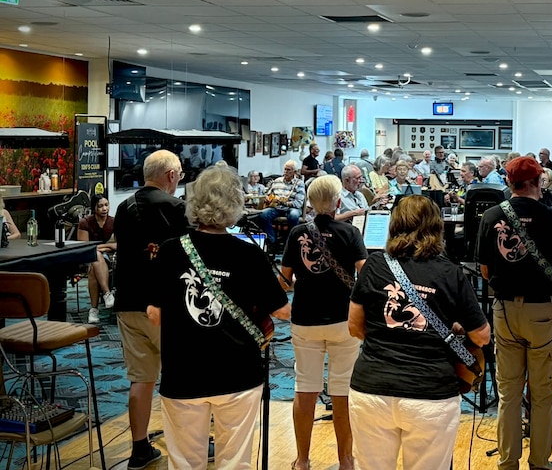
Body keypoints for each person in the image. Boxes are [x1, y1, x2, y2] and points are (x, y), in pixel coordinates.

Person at [145, 166, 290, 470]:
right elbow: (281, 311)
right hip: (238, 373)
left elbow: (154, 315)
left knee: (184, 462)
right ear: (235, 204)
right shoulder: (250, 255)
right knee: (235, 462)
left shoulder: (171, 251)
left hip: (182, 374)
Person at [348, 195, 490, 470]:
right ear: (437, 228)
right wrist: (452, 328)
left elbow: (354, 325)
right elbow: (482, 337)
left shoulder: (374, 265)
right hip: (431, 393)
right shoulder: (451, 273)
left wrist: (389, 337)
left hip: (372, 387)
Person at [476, 156, 552, 470]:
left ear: (509, 183)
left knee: (508, 393)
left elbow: (483, 270)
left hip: (504, 311)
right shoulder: (551, 216)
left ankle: (508, 462)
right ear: (538, 182)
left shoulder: (491, 215)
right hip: (544, 313)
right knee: (543, 393)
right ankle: (539, 462)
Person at [282, 175, 367, 470]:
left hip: (305, 318)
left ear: (309, 203)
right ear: (338, 202)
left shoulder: (296, 233)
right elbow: (365, 276)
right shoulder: (350, 232)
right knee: (342, 391)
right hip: (344, 320)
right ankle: (346, 460)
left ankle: (302, 460)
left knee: (304, 387)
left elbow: (285, 279)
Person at [113, 149, 191, 469]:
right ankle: (190, 442)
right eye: (180, 175)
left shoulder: (122, 207)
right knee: (183, 374)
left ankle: (139, 448)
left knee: (141, 380)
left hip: (127, 303)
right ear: (171, 176)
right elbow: (190, 257)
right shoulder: (176, 207)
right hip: (164, 305)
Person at [77, 193, 117, 324]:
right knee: (95, 257)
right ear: (94, 208)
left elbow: (118, 245)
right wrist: (100, 249)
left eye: (106, 205)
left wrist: (99, 247)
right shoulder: (85, 222)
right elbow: (84, 247)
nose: (104, 209)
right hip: (86, 257)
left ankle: (93, 310)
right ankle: (107, 293)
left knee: (95, 264)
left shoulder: (113, 221)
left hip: (106, 256)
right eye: (100, 206)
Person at [258, 160, 306, 244]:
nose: (286, 172)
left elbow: (298, 203)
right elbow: (268, 194)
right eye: (285, 169)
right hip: (277, 208)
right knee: (263, 214)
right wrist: (267, 198)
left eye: (288, 170)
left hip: (292, 208)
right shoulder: (277, 181)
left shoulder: (299, 183)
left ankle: (290, 240)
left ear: (294, 172)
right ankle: (271, 239)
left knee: (293, 215)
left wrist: (283, 203)